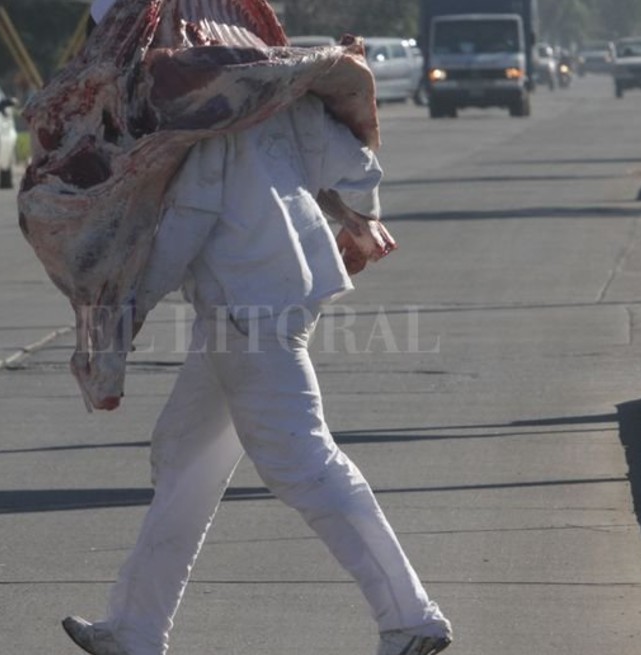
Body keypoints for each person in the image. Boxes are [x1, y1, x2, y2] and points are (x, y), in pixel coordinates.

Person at [60, 4, 453, 655]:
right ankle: (135, 627)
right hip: (259, 305)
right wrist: (353, 219)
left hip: (248, 312)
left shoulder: (197, 109)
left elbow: (183, 225)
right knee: (182, 457)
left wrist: (117, 322)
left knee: (303, 461)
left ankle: (410, 615)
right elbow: (356, 166)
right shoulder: (272, 81)